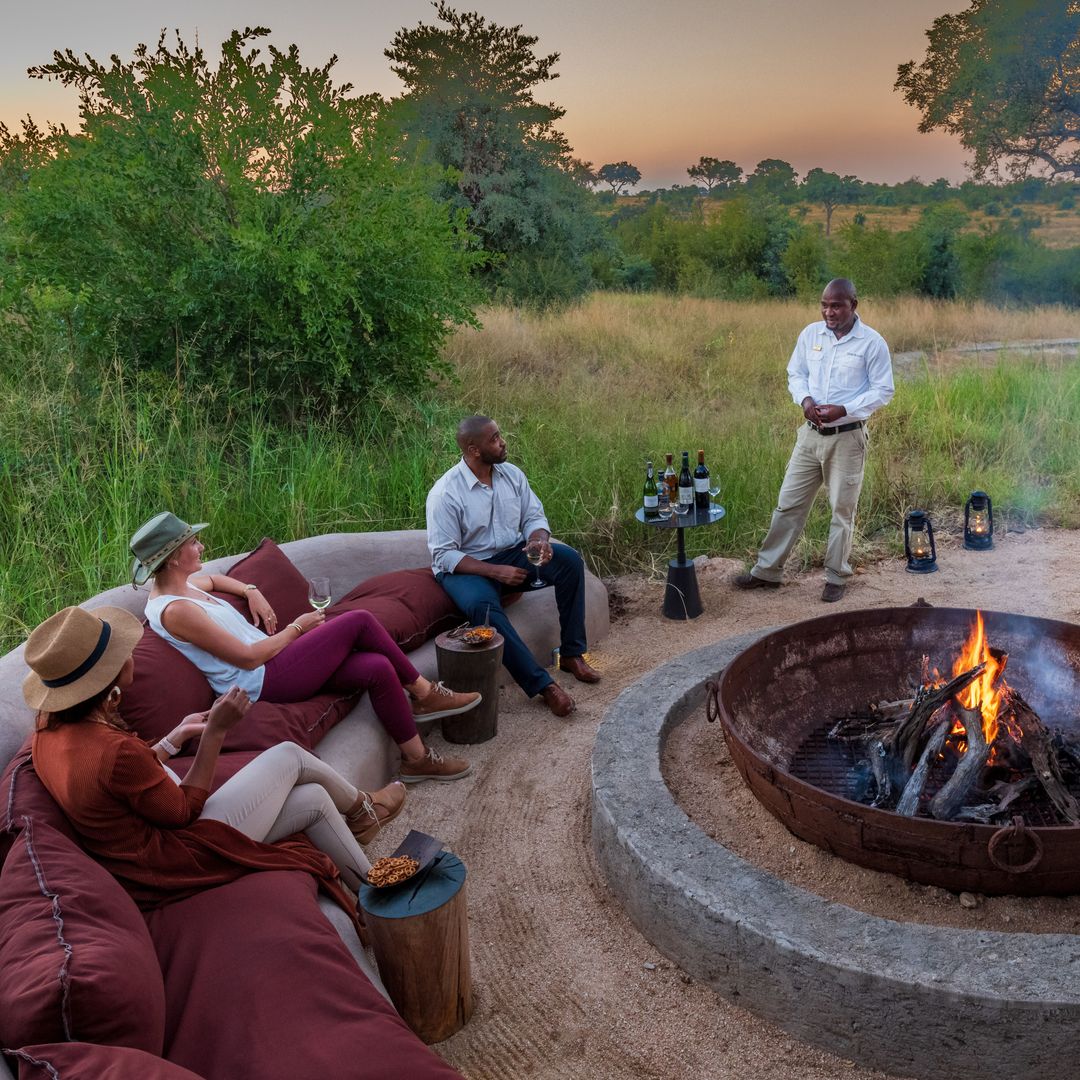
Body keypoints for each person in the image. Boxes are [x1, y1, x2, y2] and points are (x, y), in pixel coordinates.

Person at [24, 605, 405, 912]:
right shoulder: (112, 750)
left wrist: (176, 737)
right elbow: (183, 811)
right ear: (108, 675)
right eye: (124, 649)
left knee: (315, 800)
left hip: (148, 850)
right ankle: (364, 807)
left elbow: (119, 783)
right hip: (176, 859)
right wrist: (217, 732)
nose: (132, 651)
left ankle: (376, 897)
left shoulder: (50, 733)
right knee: (290, 756)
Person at [130, 512, 476, 783]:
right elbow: (248, 659)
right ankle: (424, 692)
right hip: (263, 680)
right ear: (174, 557)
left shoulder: (182, 587)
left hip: (274, 661)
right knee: (358, 621)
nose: (202, 546)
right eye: (194, 542)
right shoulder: (176, 610)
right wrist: (298, 627)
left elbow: (218, 579)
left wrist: (251, 590)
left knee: (376, 667)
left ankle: (415, 760)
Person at [425, 416, 599, 718]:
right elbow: (443, 555)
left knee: (569, 561)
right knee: (484, 608)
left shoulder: (511, 475)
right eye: (494, 438)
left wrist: (538, 541)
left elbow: (534, 517)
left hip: (512, 555)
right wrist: (494, 572)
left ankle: (572, 654)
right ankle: (543, 686)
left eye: (499, 435)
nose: (503, 442)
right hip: (466, 568)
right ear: (473, 449)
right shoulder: (445, 493)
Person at [734, 278, 894, 603]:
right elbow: (796, 373)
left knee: (842, 510)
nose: (828, 312)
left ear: (853, 306)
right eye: (824, 304)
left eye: (836, 305)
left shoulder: (871, 343)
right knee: (788, 504)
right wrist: (805, 400)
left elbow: (883, 390)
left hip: (847, 439)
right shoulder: (810, 335)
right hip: (809, 436)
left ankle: (836, 576)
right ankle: (767, 571)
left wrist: (844, 410)